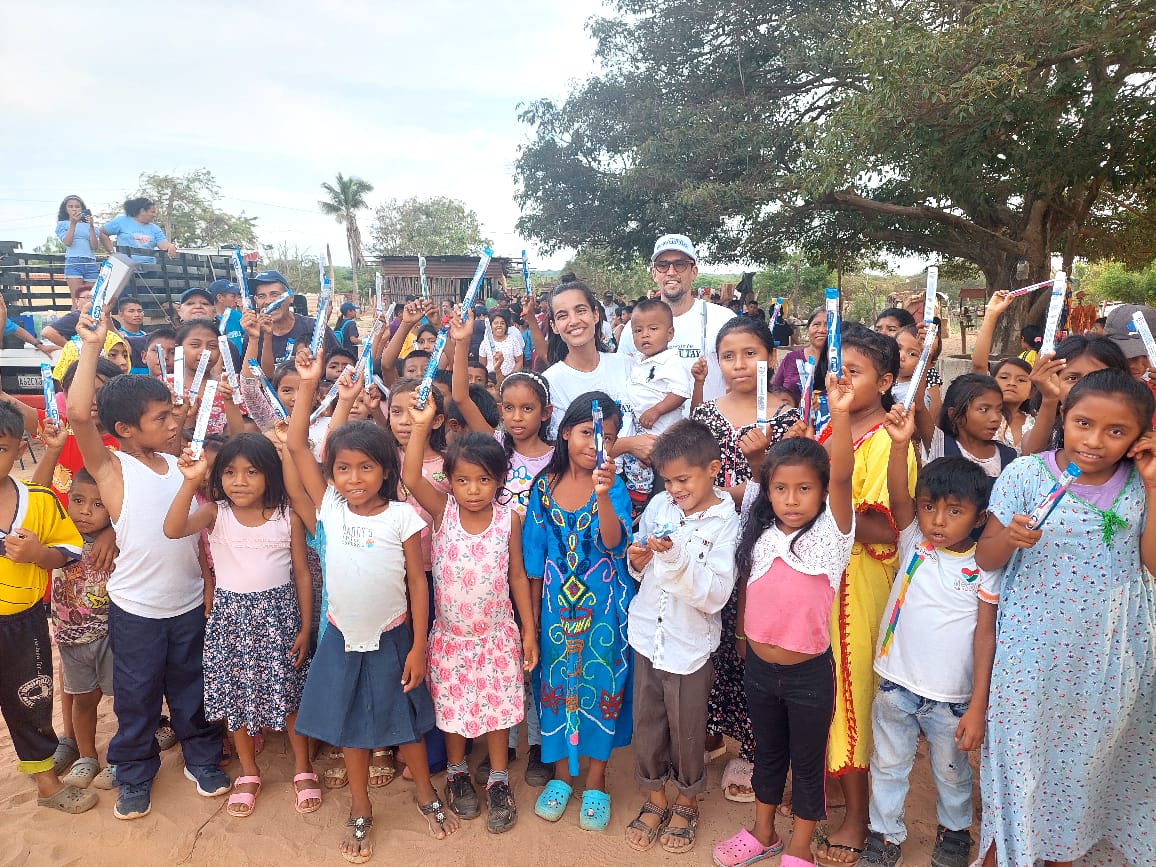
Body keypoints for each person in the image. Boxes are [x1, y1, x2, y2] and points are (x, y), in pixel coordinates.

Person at [975, 369, 1156, 867]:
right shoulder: (1025, 475)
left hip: (1110, 659)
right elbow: (986, 557)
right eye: (1083, 423)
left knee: (1085, 771)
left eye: (1116, 431)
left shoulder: (1140, 485)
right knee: (1019, 763)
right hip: (1030, 656)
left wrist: (1153, 484)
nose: (1094, 441)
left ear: (1139, 437)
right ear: (1065, 417)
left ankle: (1065, 856)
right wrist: (1008, 538)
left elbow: (1152, 565)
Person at [286, 349, 460, 861]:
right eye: (343, 468)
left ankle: (426, 794)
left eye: (366, 468)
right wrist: (313, 385)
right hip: (341, 635)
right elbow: (297, 445)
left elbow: (418, 585)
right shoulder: (330, 508)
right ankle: (360, 806)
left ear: (386, 471)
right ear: (332, 474)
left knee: (405, 725)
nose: (354, 478)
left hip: (394, 636)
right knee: (351, 730)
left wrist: (419, 647)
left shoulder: (403, 517)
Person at [66, 310, 227, 820]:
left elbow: (189, 529)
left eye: (171, 413)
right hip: (137, 610)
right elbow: (78, 416)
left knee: (191, 687)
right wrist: (91, 347)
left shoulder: (180, 463)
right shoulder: (113, 469)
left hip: (186, 604)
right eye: (160, 418)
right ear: (124, 430)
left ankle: (201, 757)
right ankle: (134, 772)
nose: (173, 422)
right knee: (136, 696)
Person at [713, 372, 855, 867]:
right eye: (781, 488)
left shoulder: (832, 535)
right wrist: (742, 636)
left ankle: (800, 847)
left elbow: (842, 474)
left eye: (804, 489)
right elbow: (750, 587)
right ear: (768, 491)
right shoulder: (760, 527)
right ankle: (764, 831)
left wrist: (840, 413)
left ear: (822, 492)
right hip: (759, 670)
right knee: (767, 754)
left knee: (806, 763)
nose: (791, 499)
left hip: (808, 676)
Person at [859, 413, 999, 867]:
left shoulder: (984, 566)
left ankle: (954, 832)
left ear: (979, 517)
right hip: (895, 685)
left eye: (954, 511)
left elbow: (985, 636)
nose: (937, 521)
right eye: (928, 507)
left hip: (952, 699)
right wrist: (900, 446)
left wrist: (977, 705)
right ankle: (884, 836)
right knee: (888, 766)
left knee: (952, 773)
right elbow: (899, 494)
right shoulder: (913, 540)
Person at [163, 434, 316, 819]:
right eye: (230, 472)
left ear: (270, 475)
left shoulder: (288, 515)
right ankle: (249, 772)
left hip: (280, 619)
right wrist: (189, 482)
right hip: (231, 621)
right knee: (238, 701)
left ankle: (303, 768)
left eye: (251, 472)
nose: (240, 481)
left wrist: (305, 627)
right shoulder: (215, 513)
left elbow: (301, 573)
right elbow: (173, 528)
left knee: (290, 697)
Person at [402, 405, 538, 834]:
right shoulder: (443, 512)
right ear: (449, 481)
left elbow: (517, 576)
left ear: (499, 480)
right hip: (451, 639)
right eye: (462, 480)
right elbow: (410, 477)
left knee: (497, 713)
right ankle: (458, 773)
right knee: (453, 712)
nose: (473, 489)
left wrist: (528, 631)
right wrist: (420, 426)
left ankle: (498, 779)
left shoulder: (508, 521)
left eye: (483, 479)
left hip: (496, 636)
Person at [815, 324, 915, 867]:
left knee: (852, 692)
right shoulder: (829, 427)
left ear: (885, 381)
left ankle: (859, 815)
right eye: (838, 370)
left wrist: (818, 508)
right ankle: (828, 785)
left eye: (854, 372)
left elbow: (888, 529)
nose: (842, 381)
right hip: (817, 578)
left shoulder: (888, 441)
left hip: (858, 583)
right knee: (818, 686)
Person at [624, 420, 739, 854]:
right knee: (647, 722)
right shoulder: (660, 506)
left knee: (687, 729)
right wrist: (638, 560)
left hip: (689, 645)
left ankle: (687, 800)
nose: (674, 489)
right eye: (667, 480)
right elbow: (641, 563)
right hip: (646, 635)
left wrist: (672, 558)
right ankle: (655, 797)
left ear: (713, 469)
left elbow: (714, 595)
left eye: (683, 480)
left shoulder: (726, 523)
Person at [524, 393, 634, 831]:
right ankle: (561, 776)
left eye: (608, 437)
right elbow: (534, 563)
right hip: (555, 611)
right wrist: (532, 623)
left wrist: (603, 495)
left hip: (605, 611)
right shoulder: (543, 487)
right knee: (555, 686)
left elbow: (613, 542)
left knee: (602, 684)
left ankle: (595, 779)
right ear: (566, 432)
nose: (596, 444)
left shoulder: (615, 487)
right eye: (588, 433)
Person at [0, 402, 93, 814]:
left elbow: (69, 551)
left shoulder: (38, 500)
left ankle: (46, 783)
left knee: (31, 702)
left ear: (20, 449)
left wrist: (39, 554)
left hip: (23, 622)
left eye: (0, 448)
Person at [38, 452, 118, 793]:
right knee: (83, 701)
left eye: (98, 504)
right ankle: (87, 756)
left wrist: (112, 530)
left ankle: (123, 756)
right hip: (70, 640)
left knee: (122, 700)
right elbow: (37, 495)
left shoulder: (118, 538)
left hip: (110, 637)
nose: (85, 511)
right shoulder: (59, 534)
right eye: (78, 500)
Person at [616, 235, 735, 404]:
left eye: (680, 264)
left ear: (693, 271)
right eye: (662, 265)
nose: (671, 272)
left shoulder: (723, 320)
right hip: (651, 422)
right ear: (654, 273)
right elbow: (623, 381)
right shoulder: (634, 328)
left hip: (709, 421)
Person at [621, 298, 692, 509]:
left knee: (664, 479)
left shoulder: (671, 361)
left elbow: (680, 392)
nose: (645, 335)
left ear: (669, 334)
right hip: (642, 433)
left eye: (653, 329)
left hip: (664, 434)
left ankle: (661, 508)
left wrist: (657, 410)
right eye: (638, 330)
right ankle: (640, 507)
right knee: (641, 474)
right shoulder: (638, 360)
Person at [1020, 335, 1128, 455]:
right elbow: (1031, 455)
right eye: (1072, 378)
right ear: (1053, 379)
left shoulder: (1130, 425)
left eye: (1098, 377)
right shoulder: (1045, 421)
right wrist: (1050, 399)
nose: (1085, 387)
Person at [914, 373, 1016, 479]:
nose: (996, 418)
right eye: (983, 409)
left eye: (999, 409)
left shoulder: (1008, 456)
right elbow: (918, 405)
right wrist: (926, 364)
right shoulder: (941, 445)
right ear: (954, 414)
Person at [242, 271, 340, 369]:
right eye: (261, 296)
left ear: (291, 297)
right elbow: (246, 374)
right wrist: (253, 339)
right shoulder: (253, 334)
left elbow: (341, 366)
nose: (268, 301)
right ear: (256, 301)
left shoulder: (315, 328)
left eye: (275, 294)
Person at [772, 308, 828, 401]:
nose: (822, 330)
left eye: (828, 325)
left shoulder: (841, 361)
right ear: (808, 329)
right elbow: (776, 392)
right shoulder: (791, 358)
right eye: (816, 324)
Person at [100, 198, 177, 263]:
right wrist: (112, 252)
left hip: (149, 270)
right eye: (152, 212)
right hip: (125, 268)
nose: (155, 215)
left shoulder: (155, 229)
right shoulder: (121, 221)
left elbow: (163, 245)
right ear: (142, 211)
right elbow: (102, 232)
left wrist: (170, 246)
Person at [55, 195, 100, 294]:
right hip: (74, 262)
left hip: (90, 262)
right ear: (65, 209)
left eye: (77, 206)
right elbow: (68, 242)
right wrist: (73, 223)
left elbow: (94, 247)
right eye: (70, 206)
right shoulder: (62, 224)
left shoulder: (89, 225)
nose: (74, 209)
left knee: (90, 298)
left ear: (82, 209)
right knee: (77, 298)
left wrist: (91, 226)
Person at [479, 309, 525, 378]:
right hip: (491, 380)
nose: (499, 325)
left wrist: (511, 377)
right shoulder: (485, 343)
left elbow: (519, 361)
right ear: (490, 326)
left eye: (502, 323)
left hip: (509, 379)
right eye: (496, 323)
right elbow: (482, 365)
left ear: (506, 326)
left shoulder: (513, 340)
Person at [112, 297, 149, 373]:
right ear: (120, 314)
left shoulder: (146, 335)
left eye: (140, 311)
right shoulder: (117, 336)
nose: (137, 314)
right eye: (131, 311)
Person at [208, 280, 244, 356]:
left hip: (239, 360)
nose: (236, 300)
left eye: (237, 296)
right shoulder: (209, 320)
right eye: (233, 296)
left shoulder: (237, 315)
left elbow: (248, 336)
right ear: (220, 298)